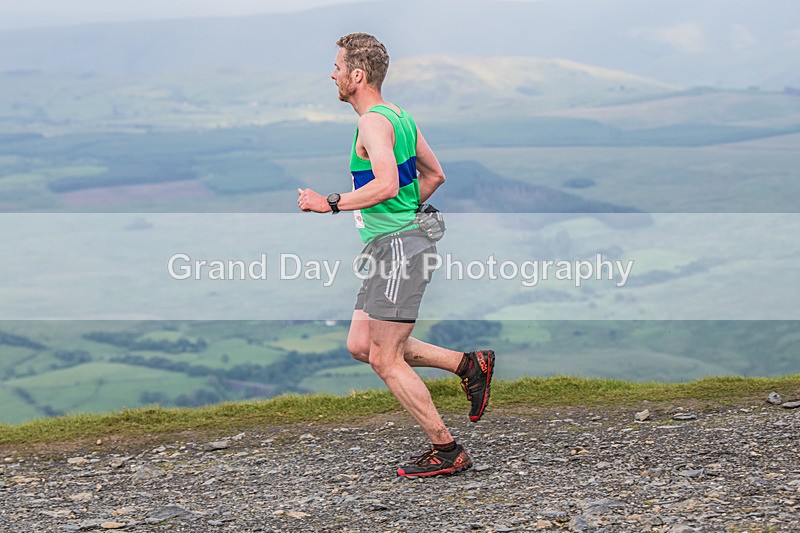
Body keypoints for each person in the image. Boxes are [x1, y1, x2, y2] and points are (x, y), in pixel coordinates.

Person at [296, 32, 495, 478]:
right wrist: (405, 211)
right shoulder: (400, 117)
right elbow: (435, 175)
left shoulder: (372, 123)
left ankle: (447, 449)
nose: (332, 74)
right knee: (361, 345)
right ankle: (468, 365)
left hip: (399, 249)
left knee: (385, 357)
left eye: (337, 67)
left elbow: (386, 184)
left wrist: (329, 203)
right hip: (392, 245)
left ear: (357, 75)